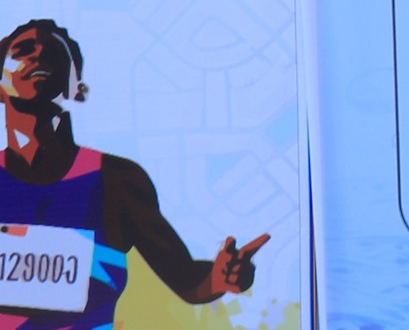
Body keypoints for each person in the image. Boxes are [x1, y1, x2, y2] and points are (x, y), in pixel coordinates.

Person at [0, 19, 266, 325]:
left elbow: (188, 281)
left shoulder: (117, 180)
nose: (38, 56)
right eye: (22, 50)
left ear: (78, 87)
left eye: (53, 54)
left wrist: (221, 278)